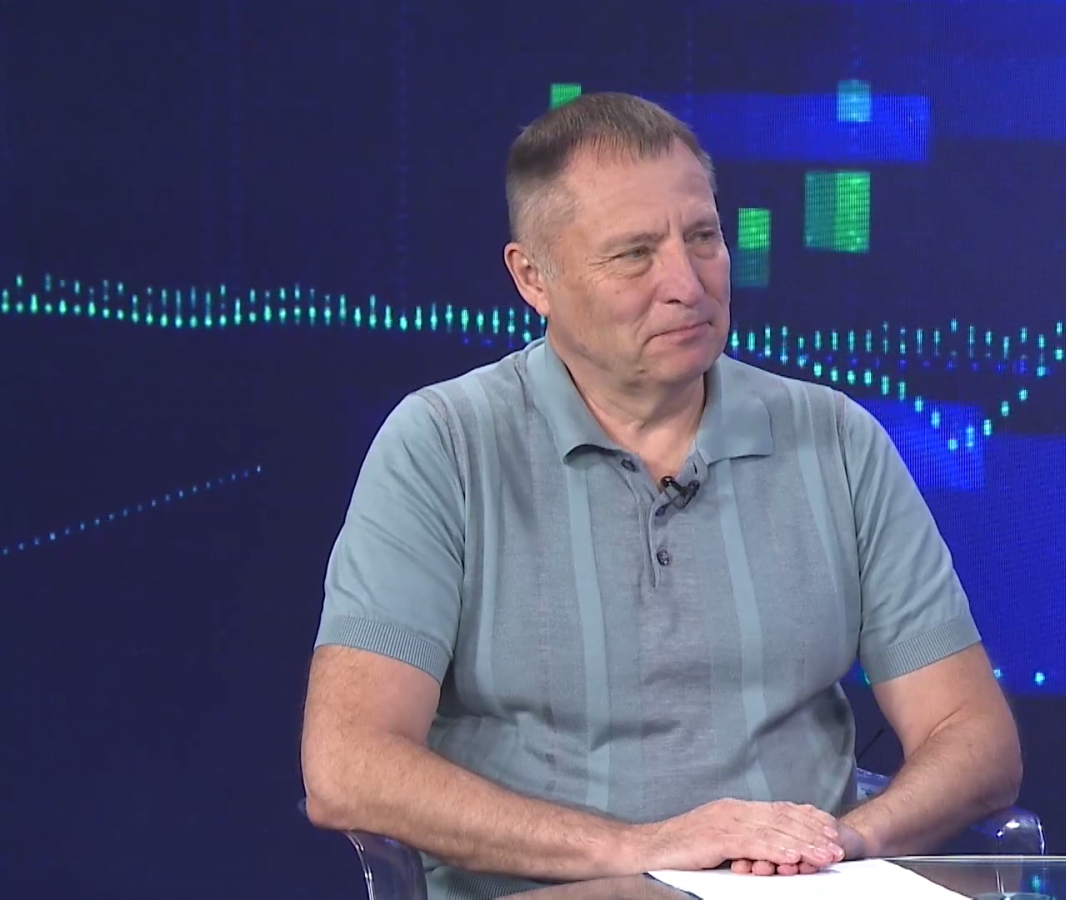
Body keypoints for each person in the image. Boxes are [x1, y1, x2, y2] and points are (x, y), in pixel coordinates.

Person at [299, 91, 1023, 900]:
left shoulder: (837, 440)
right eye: (634, 254)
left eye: (703, 238)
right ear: (534, 278)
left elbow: (973, 737)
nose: (687, 283)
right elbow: (348, 765)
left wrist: (845, 842)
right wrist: (641, 849)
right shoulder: (443, 447)